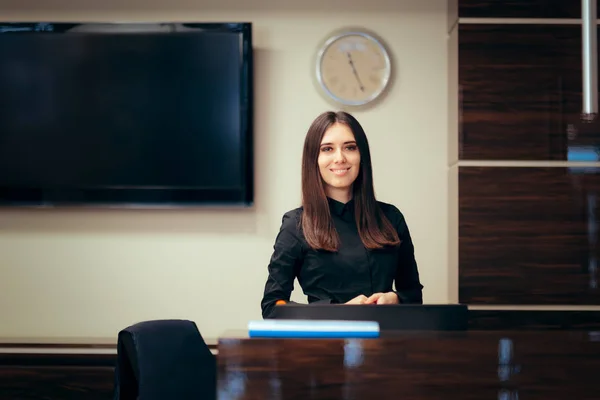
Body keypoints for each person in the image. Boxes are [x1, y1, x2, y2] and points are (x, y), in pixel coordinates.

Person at [260, 111, 423, 319]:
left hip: (385, 343)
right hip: (324, 346)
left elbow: (413, 295)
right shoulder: (296, 225)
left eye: (350, 147)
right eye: (327, 149)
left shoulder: (391, 217)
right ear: (314, 159)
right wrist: (339, 310)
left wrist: (396, 299)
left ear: (361, 155)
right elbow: (273, 306)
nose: (340, 158)